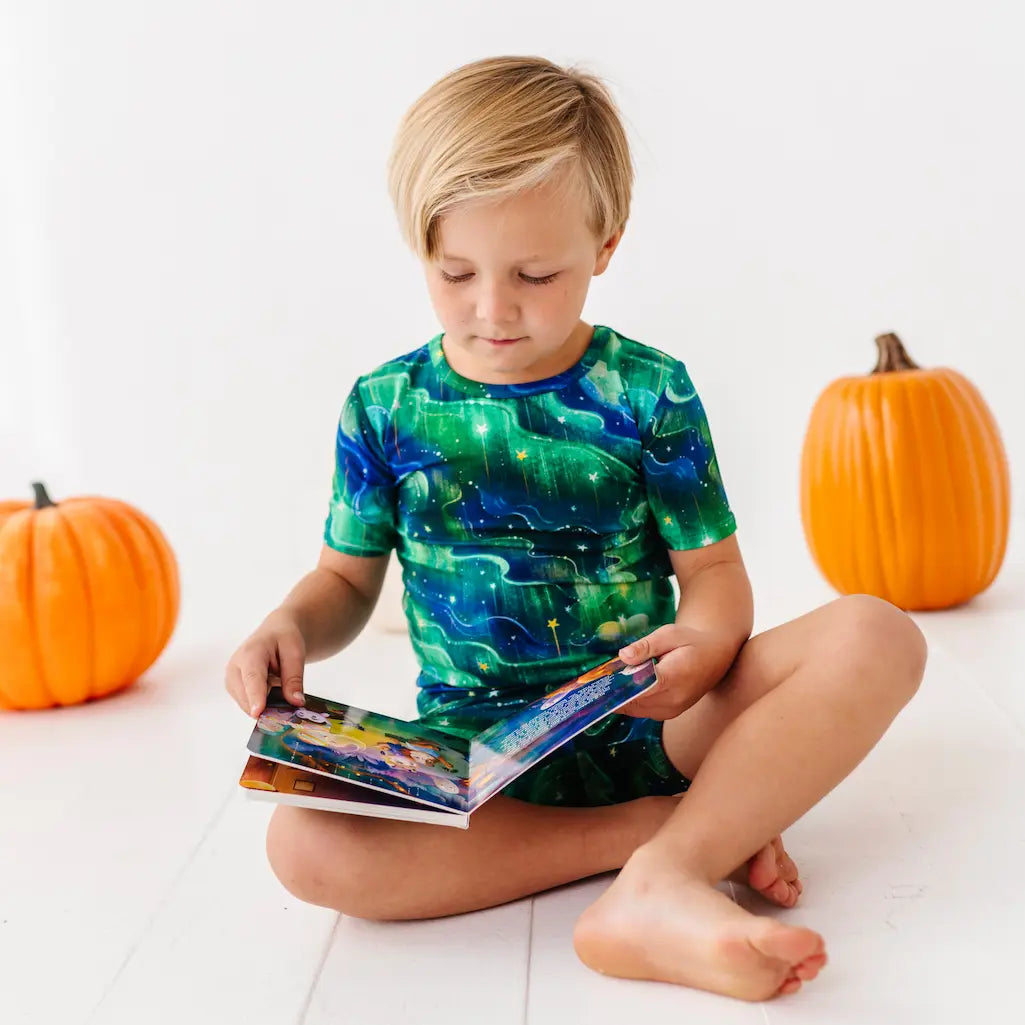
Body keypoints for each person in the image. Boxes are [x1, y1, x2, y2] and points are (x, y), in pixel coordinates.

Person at [224, 55, 927, 1001]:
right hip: (475, 761)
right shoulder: (384, 406)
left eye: (535, 273)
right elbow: (346, 584)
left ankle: (662, 880)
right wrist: (289, 627)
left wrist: (709, 645)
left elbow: (714, 574)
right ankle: (653, 845)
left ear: (605, 245)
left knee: (875, 633)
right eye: (456, 271)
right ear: (418, 246)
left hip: (652, 719)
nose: (492, 307)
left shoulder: (647, 391)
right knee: (301, 844)